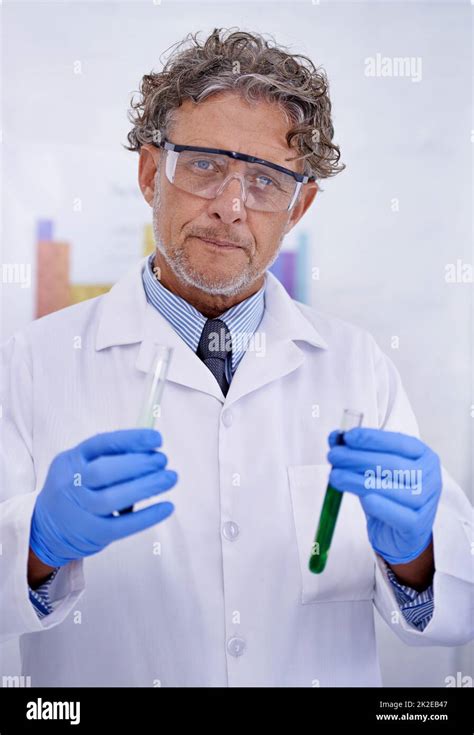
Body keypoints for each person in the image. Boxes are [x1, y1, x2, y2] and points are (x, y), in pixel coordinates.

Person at [0, 28, 472, 688]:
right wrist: (35, 547)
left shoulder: (358, 369)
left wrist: (419, 555)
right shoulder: (29, 365)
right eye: (202, 165)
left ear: (298, 205)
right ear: (148, 173)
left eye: (265, 180)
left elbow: (460, 609)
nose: (230, 206)